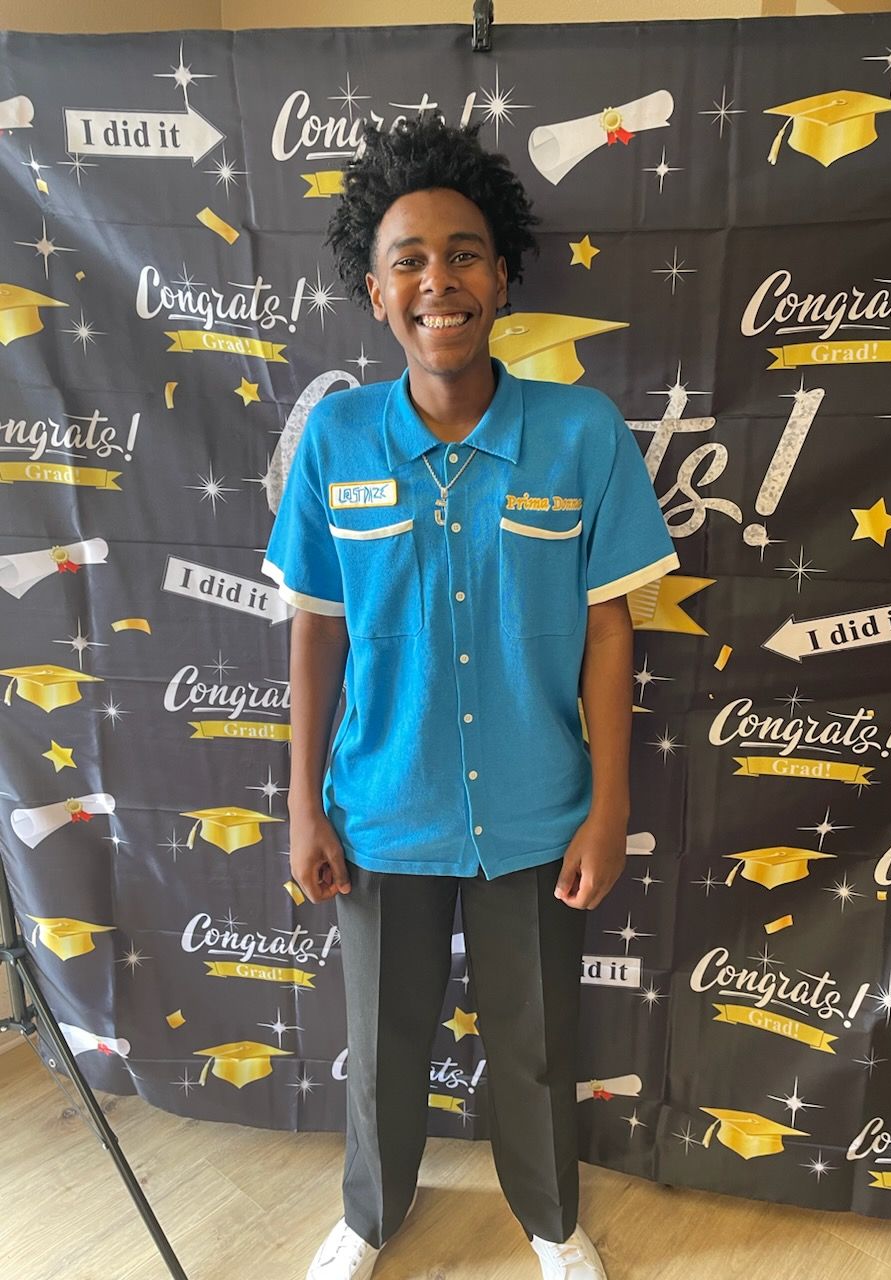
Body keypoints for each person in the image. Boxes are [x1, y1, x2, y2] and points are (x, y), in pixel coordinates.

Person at [261, 112, 679, 1280]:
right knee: (383, 1041)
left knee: (536, 1043)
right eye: (409, 260)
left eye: (463, 254)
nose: (437, 280)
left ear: (501, 278)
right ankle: (370, 1216)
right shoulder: (337, 438)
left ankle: (550, 1223)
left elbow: (610, 629)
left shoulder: (581, 433)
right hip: (381, 808)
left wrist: (608, 805)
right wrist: (302, 804)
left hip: (538, 810)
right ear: (376, 290)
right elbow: (316, 632)